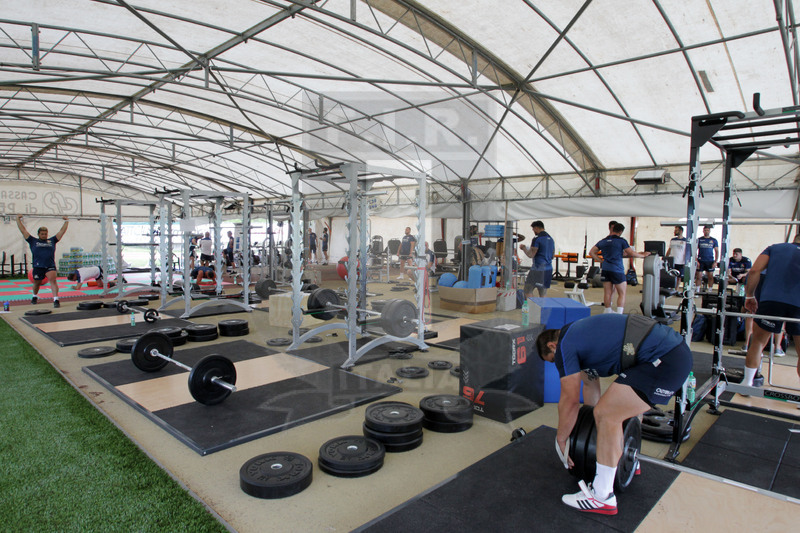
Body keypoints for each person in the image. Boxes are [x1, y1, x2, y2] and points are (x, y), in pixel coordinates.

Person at [536, 314, 692, 515]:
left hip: (664, 360)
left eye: (552, 360)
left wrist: (561, 437)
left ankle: (601, 496)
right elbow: (591, 387)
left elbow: (570, 400)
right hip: (668, 354)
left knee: (608, 414)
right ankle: (627, 462)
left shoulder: (565, 347)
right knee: (617, 410)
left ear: (552, 346)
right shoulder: (581, 337)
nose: (555, 364)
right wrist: (594, 432)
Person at [741, 233, 800, 387]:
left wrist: (749, 296)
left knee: (758, 342)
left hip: (772, 300)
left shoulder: (775, 248)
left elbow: (754, 271)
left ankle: (747, 384)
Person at [589, 221, 649, 314]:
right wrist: (643, 255)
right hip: (617, 270)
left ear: (612, 229)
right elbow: (631, 253)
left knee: (608, 292)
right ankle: (619, 313)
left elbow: (591, 252)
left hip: (605, 269)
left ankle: (607, 311)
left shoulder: (603, 241)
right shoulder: (621, 241)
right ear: (621, 231)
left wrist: (601, 261)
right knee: (622, 293)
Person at [17, 215, 69, 308]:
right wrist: (18, 219)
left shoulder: (52, 240)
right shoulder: (33, 241)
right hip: (38, 266)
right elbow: (23, 230)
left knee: (53, 281)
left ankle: (56, 299)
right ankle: (34, 296)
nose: (44, 235)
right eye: (42, 234)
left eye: (45, 234)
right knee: (37, 283)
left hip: (50, 266)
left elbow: (62, 231)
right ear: (39, 234)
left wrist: (66, 221)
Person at [519, 220, 554, 297]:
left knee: (527, 290)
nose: (533, 231)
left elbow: (531, 255)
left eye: (533, 229)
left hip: (538, 269)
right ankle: (542, 308)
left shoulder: (537, 238)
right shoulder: (551, 239)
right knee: (543, 292)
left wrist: (524, 248)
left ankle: (531, 308)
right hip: (548, 269)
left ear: (536, 228)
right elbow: (552, 256)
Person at [696, 225, 719, 290]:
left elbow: (717, 251)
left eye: (707, 230)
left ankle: (710, 290)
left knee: (710, 277)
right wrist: (696, 260)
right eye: (705, 230)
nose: (706, 231)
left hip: (710, 261)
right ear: (703, 231)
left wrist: (715, 262)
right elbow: (694, 250)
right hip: (701, 261)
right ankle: (697, 290)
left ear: (710, 231)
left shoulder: (713, 240)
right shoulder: (699, 240)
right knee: (699, 276)